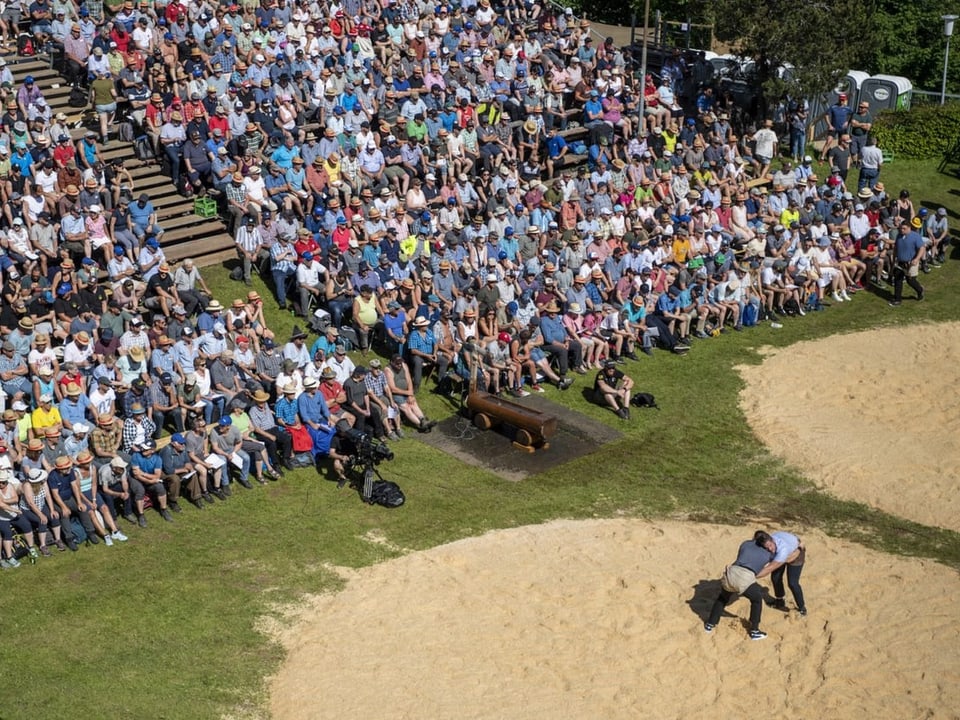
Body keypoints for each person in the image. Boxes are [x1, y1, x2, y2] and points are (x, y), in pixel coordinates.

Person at [704, 530, 778, 640]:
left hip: (730, 573)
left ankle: (710, 624)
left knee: (723, 597)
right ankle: (755, 631)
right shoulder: (769, 553)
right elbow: (775, 562)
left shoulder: (745, 544)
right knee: (757, 599)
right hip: (744, 577)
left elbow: (740, 557)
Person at [765, 530, 807, 616]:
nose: (769, 548)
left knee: (792, 583)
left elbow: (790, 558)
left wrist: (799, 548)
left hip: (796, 553)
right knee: (775, 577)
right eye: (766, 547)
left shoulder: (783, 548)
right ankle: (780, 601)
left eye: (770, 545)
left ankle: (802, 608)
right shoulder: (768, 543)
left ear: (773, 541)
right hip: (783, 551)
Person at [889, 219, 925, 307]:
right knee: (898, 279)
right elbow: (896, 248)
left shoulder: (915, 236)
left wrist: (917, 259)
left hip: (911, 262)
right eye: (901, 228)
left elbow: (922, 248)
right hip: (900, 262)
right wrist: (894, 260)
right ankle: (897, 299)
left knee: (910, 281)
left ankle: (920, 290)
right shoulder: (899, 236)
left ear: (909, 228)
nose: (902, 230)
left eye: (904, 229)